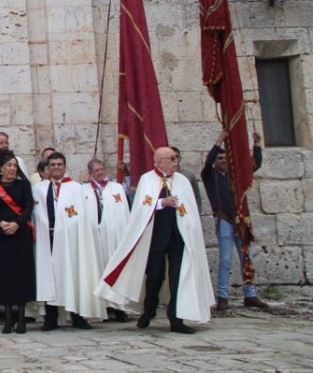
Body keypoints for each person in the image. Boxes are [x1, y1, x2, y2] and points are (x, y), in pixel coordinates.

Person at [97, 147, 214, 334]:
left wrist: (190, 226)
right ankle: (149, 310)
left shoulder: (182, 181)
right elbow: (142, 206)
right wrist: (161, 203)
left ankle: (176, 318)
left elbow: (189, 207)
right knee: (155, 277)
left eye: (176, 158)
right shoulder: (147, 179)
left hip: (178, 235)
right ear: (159, 161)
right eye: (171, 158)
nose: (176, 161)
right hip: (156, 236)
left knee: (179, 277)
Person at [32, 151, 103, 330]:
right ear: (47, 168)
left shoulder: (76, 188)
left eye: (59, 164)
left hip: (71, 241)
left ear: (65, 167)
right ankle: (51, 318)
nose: (56, 167)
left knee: (73, 275)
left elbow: (82, 216)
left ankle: (77, 316)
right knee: (50, 277)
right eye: (53, 165)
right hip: (47, 239)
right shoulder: (39, 189)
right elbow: (35, 214)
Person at [201, 130, 268, 311]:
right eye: (220, 158)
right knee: (225, 259)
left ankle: (250, 294)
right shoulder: (209, 176)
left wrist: (256, 145)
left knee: (246, 257)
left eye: (225, 158)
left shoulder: (235, 176)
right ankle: (223, 296)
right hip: (224, 220)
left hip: (241, 220)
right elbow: (207, 163)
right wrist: (218, 142)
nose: (222, 161)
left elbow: (254, 165)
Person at [0, 149, 34, 334]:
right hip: (1, 235)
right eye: (9, 166)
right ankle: (8, 317)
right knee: (4, 275)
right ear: (1, 168)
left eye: (14, 166)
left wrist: (17, 224)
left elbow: (28, 207)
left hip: (20, 234)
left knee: (20, 274)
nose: (12, 169)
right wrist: (1, 223)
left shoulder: (23, 186)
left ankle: (21, 317)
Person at [83, 157, 131, 321]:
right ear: (90, 174)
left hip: (115, 237)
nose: (101, 172)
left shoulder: (116, 188)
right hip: (96, 238)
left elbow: (124, 211)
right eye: (97, 170)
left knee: (115, 271)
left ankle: (119, 307)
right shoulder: (84, 191)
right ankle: (100, 306)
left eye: (102, 169)